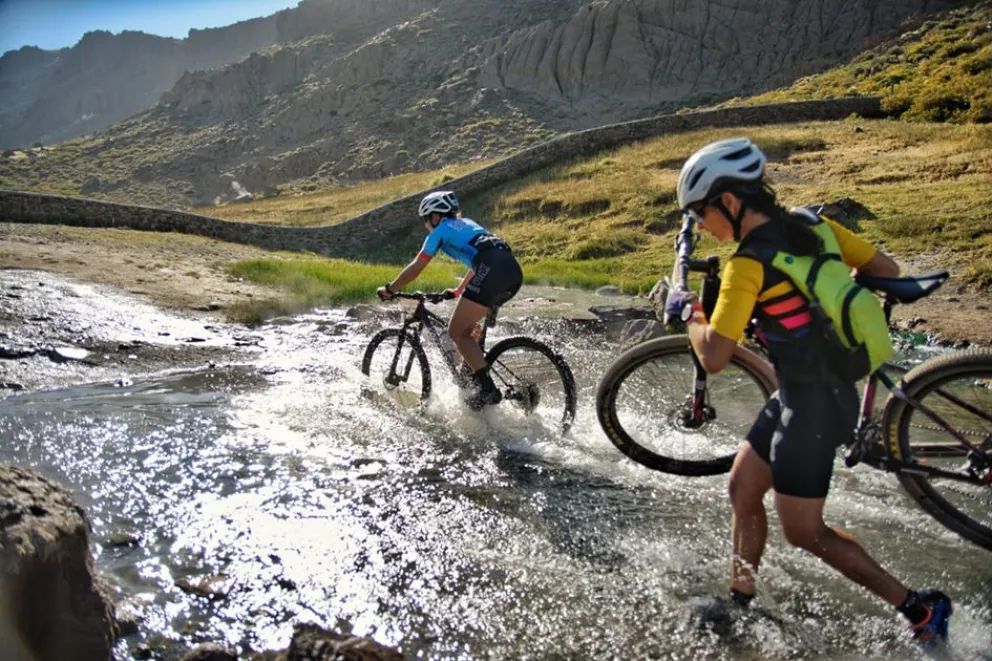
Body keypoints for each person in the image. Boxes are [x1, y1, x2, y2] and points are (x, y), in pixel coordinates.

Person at [664, 137, 952, 643]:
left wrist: (689, 311)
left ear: (729, 202)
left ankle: (919, 609)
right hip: (804, 391)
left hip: (814, 406)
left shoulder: (747, 265)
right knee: (742, 487)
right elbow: (884, 270)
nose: (702, 226)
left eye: (702, 213)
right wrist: (827, 303)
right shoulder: (814, 224)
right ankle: (741, 600)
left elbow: (713, 356)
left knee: (805, 532)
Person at [377, 190, 523, 409]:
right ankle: (475, 384)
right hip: (512, 272)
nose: (426, 225)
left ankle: (488, 390)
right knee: (469, 331)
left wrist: (390, 289)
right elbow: (480, 261)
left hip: (491, 269)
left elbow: (416, 267)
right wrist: (458, 291)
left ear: (435, 216)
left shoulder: (440, 231)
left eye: (426, 220)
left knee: (456, 332)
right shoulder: (467, 224)